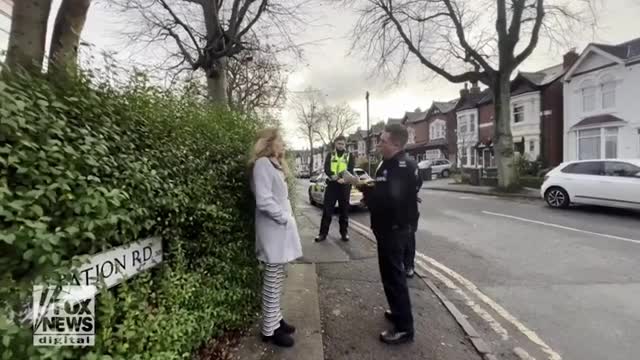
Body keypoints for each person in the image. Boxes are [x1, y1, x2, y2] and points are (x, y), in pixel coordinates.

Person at [357, 123, 419, 345]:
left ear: (395, 143)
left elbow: (389, 201)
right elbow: (392, 192)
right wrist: (370, 189)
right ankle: (397, 312)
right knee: (391, 276)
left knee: (394, 278)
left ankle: (404, 328)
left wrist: (364, 190)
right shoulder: (393, 164)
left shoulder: (399, 166)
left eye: (382, 140)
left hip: (393, 230)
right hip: (391, 229)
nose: (378, 144)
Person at [249, 128, 303, 348]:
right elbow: (263, 200)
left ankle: (276, 320)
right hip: (273, 230)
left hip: (279, 230)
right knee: (272, 281)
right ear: (269, 143)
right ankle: (269, 330)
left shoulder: (274, 165)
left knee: (277, 278)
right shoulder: (262, 164)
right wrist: (284, 218)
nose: (284, 145)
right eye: (281, 140)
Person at [315, 135, 355, 243]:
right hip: (332, 185)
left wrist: (344, 179)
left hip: (344, 186)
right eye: (339, 143)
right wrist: (332, 175)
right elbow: (327, 168)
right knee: (327, 211)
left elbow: (351, 169)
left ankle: (344, 233)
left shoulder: (349, 155)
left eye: (342, 144)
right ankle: (322, 234)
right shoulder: (330, 155)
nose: (340, 145)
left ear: (345, 144)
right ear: (335, 144)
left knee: (344, 211)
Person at [404, 172, 423, 278]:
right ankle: (403, 263)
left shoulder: (409, 165)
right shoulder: (386, 164)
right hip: (394, 210)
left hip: (409, 209)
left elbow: (419, 181)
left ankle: (409, 265)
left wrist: (413, 192)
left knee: (409, 237)